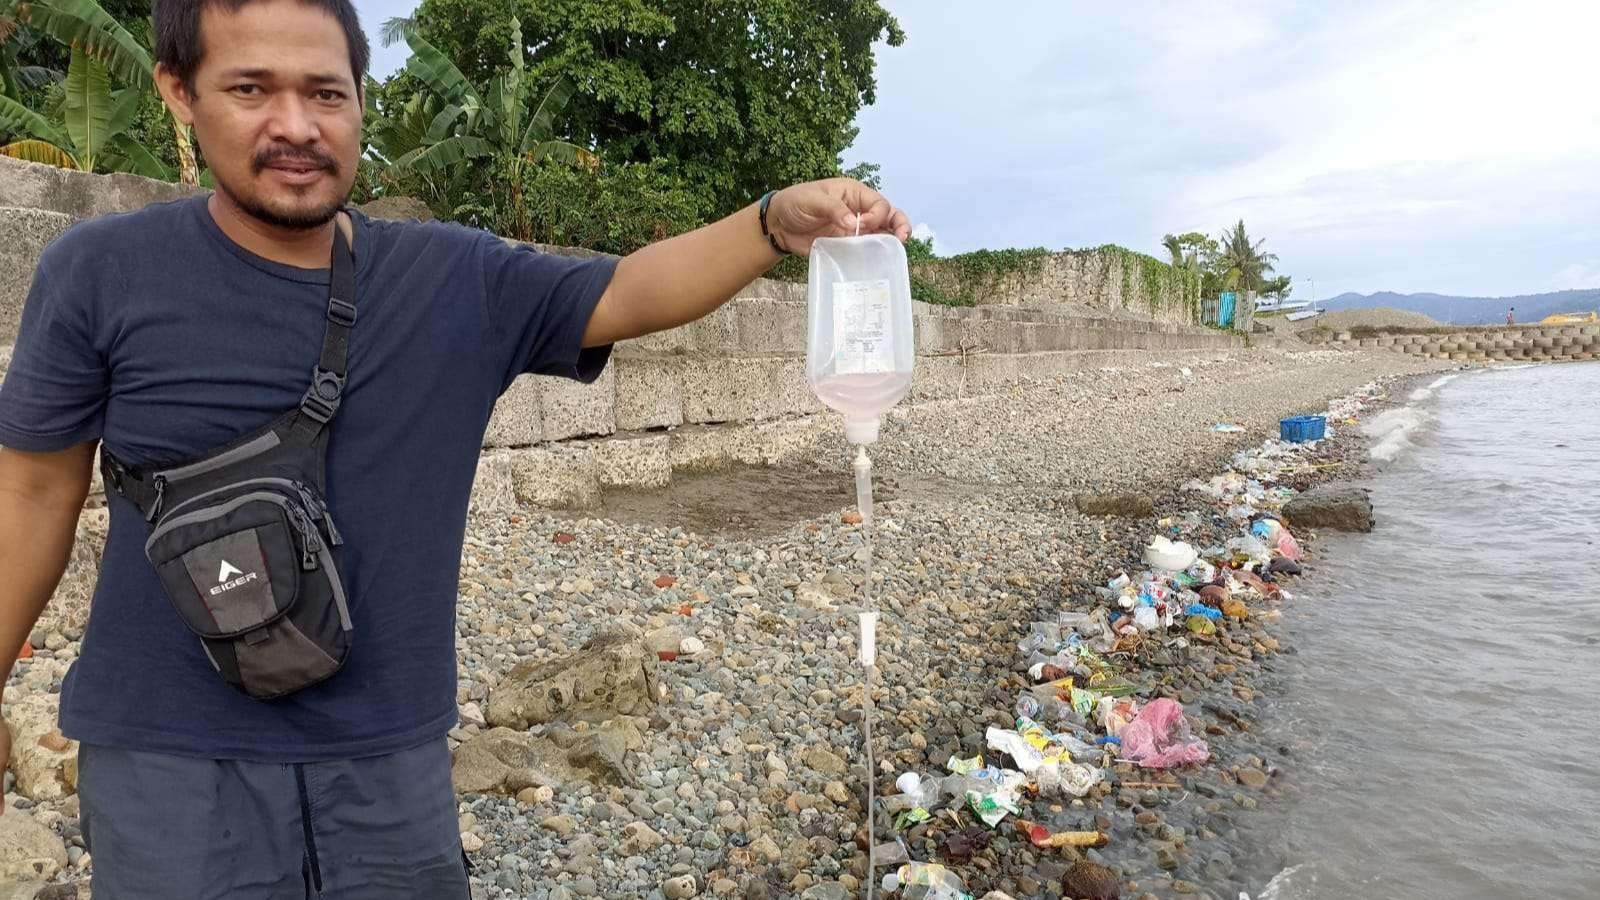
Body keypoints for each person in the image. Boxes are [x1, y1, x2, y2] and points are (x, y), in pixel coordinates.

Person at [0, 0, 910, 897]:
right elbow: (31, 499)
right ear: (179, 92)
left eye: (325, 94)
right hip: (167, 763)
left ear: (362, 98)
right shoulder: (98, 273)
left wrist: (771, 225)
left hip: (388, 761)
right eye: (250, 88)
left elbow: (631, 291)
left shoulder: (455, 279)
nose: (295, 127)